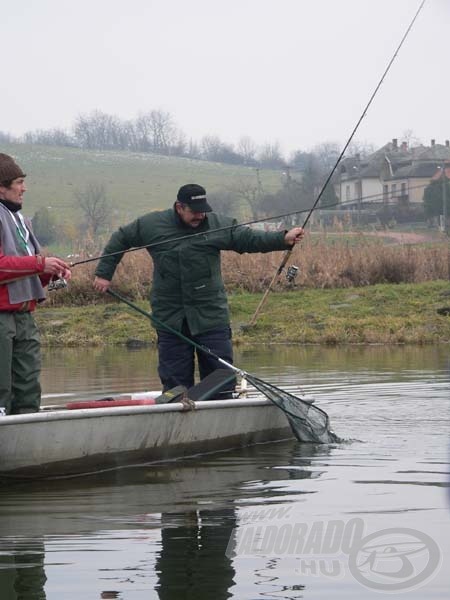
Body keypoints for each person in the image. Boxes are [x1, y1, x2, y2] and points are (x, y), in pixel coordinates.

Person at [94, 183, 304, 392]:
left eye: (203, 211)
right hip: (170, 317)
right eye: (194, 211)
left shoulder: (217, 224)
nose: (200, 216)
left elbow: (248, 239)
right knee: (175, 385)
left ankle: (220, 415)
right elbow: (120, 238)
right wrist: (104, 274)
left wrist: (282, 238)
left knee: (220, 379)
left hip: (210, 314)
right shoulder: (152, 225)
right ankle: (179, 417)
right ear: (179, 207)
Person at [0, 153, 72, 416]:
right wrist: (40, 264)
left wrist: (53, 274)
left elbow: (28, 269)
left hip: (25, 316)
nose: (24, 188)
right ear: (1, 186)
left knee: (29, 388)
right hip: (1, 316)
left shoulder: (21, 220)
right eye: (18, 182)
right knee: (1, 389)